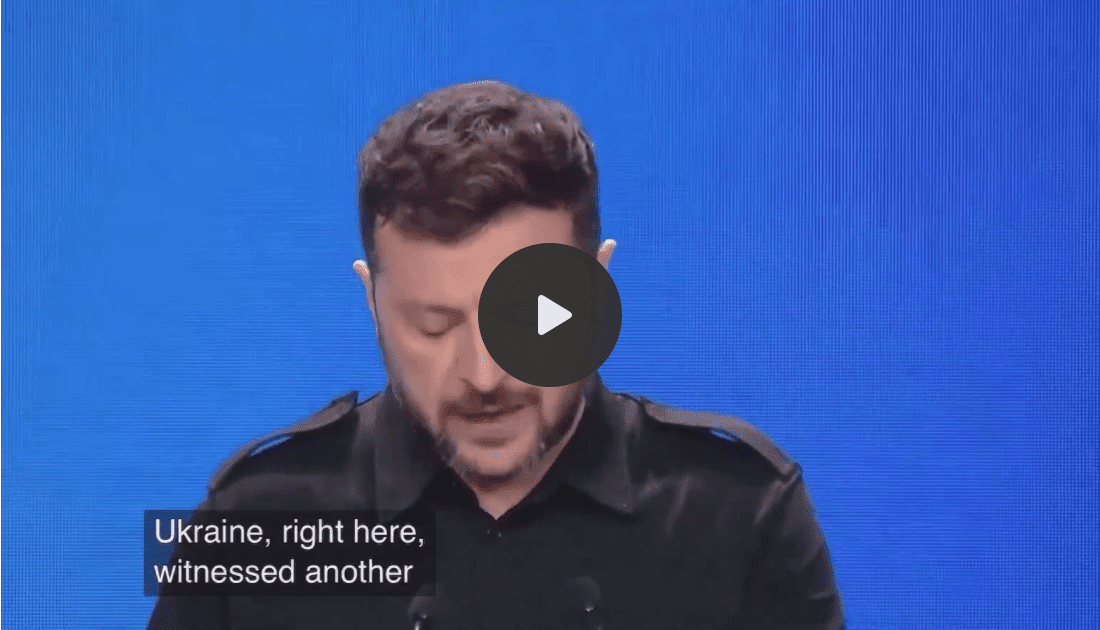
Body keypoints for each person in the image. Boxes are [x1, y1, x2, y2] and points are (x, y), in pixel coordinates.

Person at [148, 80, 845, 629]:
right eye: (433, 326)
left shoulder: (741, 513)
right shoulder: (256, 525)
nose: (484, 376)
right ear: (372, 303)